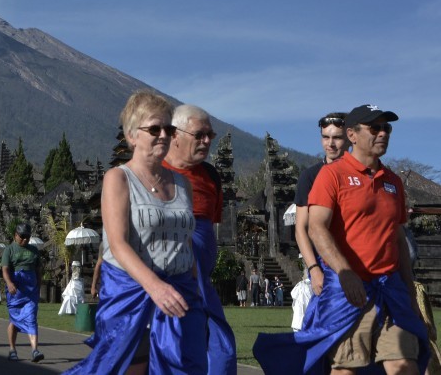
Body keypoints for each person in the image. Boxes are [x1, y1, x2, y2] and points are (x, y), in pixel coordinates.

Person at [254, 104, 430, 373]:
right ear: (353, 134)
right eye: (375, 128)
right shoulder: (331, 175)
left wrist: (407, 290)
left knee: (405, 364)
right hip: (348, 290)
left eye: (387, 128)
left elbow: (398, 240)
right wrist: (336, 271)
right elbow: (316, 228)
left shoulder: (393, 181)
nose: (383, 133)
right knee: (346, 367)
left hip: (390, 289)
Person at [66, 91, 206, 375]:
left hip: (181, 294)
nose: (163, 135)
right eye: (154, 128)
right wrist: (155, 287)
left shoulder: (182, 184)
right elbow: (117, 244)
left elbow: (185, 242)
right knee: (129, 367)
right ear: (132, 135)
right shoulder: (118, 178)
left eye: (169, 128)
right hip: (132, 294)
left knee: (185, 367)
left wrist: (196, 288)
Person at [163, 103, 236, 374]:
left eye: (210, 135)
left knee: (222, 351)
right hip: (166, 279)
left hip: (202, 281)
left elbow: (208, 228)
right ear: (175, 135)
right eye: (199, 134)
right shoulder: (154, 172)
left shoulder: (211, 176)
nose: (206, 141)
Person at [294, 112, 348, 298]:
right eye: (325, 137)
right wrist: (314, 269)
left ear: (350, 137)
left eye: (337, 138)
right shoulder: (310, 176)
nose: (330, 144)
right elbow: (301, 227)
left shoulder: (361, 175)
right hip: (324, 264)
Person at [1, 222, 44, 363]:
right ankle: (12, 349)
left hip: (30, 288)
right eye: (22, 237)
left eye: (28, 237)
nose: (25, 239)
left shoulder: (34, 250)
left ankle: (34, 350)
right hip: (16, 289)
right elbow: (5, 269)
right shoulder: (9, 250)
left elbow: (38, 270)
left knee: (31, 317)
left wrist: (39, 285)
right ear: (15, 235)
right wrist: (9, 283)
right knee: (14, 320)